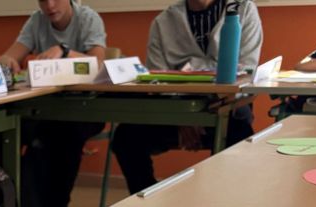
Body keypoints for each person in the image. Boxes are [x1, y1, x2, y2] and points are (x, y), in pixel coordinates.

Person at [111, 0, 262, 195]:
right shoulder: (164, 21)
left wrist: (204, 109)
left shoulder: (243, 10)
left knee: (240, 137)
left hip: (226, 107)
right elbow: (156, 79)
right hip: (176, 110)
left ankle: (225, 204)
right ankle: (147, 204)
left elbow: (246, 71)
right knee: (126, 138)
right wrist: (183, 117)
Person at [0, 0, 106, 207]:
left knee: (64, 134)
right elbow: (8, 56)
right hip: (46, 108)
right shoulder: (36, 20)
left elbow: (98, 64)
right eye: (43, 0)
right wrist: (7, 62)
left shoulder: (88, 18)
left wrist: (64, 52)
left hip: (85, 108)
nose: (50, 5)